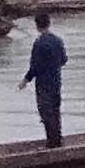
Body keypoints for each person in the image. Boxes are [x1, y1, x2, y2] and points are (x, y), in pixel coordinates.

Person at [18, 10, 68, 149]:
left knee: (46, 113)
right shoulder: (58, 40)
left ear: (37, 25)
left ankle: (52, 143)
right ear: (49, 23)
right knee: (56, 111)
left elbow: (35, 67)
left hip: (43, 84)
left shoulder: (39, 44)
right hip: (56, 82)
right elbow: (64, 60)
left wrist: (25, 81)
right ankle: (57, 140)